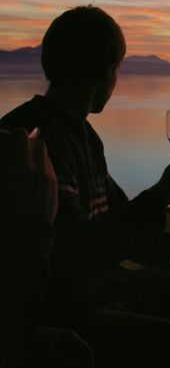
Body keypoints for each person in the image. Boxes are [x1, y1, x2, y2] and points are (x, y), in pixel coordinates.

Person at [0, 6, 170, 368]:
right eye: (118, 69)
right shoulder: (33, 139)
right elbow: (76, 253)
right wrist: (161, 195)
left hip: (107, 287)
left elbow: (125, 224)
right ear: (105, 71)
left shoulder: (82, 134)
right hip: (69, 310)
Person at [1, 127, 93, 368]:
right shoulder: (32, 149)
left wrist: (37, 337)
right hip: (82, 304)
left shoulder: (85, 136)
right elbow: (80, 254)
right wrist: (32, 231)